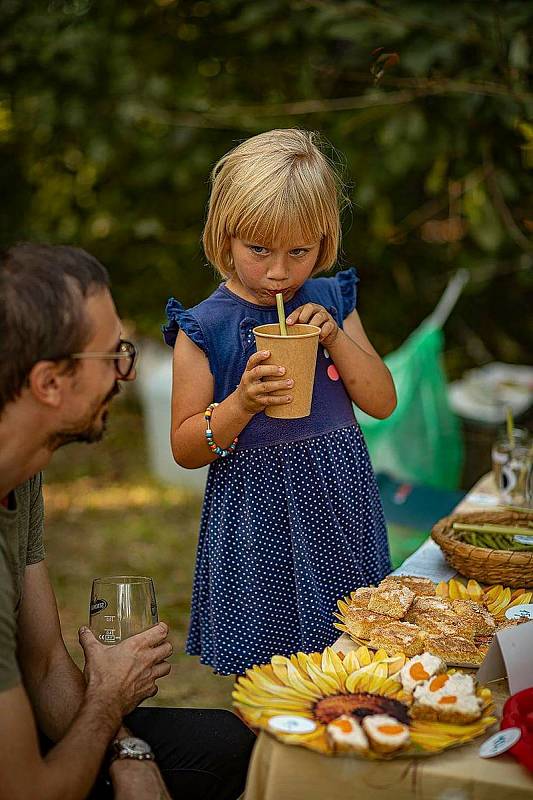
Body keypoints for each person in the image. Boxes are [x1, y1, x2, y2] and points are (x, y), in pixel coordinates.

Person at [0, 244, 254, 800]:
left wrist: (130, 756)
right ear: (49, 383)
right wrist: (108, 696)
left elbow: (43, 662)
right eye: (114, 355)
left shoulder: (22, 471)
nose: (126, 373)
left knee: (234, 746)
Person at [164, 128, 397, 676]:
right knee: (270, 675)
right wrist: (241, 403)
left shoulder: (331, 299)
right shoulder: (205, 329)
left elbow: (383, 401)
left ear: (324, 242)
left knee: (356, 659)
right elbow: (184, 447)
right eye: (259, 250)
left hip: (342, 506)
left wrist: (336, 337)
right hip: (258, 516)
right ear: (225, 236)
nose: (278, 271)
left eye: (300, 251)